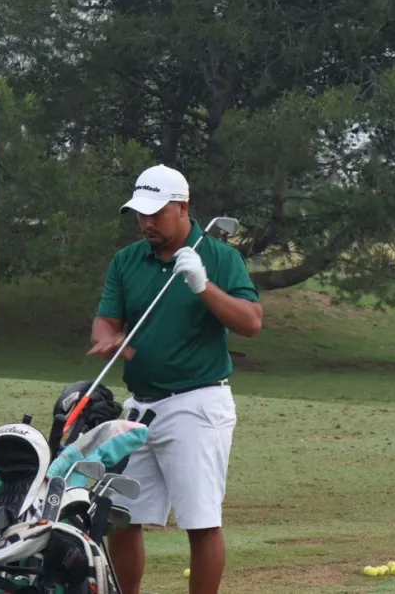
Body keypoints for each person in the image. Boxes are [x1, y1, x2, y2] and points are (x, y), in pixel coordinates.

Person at [88, 164, 263, 594]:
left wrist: (203, 285)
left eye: (156, 213)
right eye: (140, 214)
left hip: (197, 405)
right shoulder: (127, 260)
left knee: (200, 521)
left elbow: (251, 323)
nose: (146, 223)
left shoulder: (221, 257)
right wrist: (110, 339)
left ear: (183, 208)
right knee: (120, 515)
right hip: (140, 406)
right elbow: (106, 320)